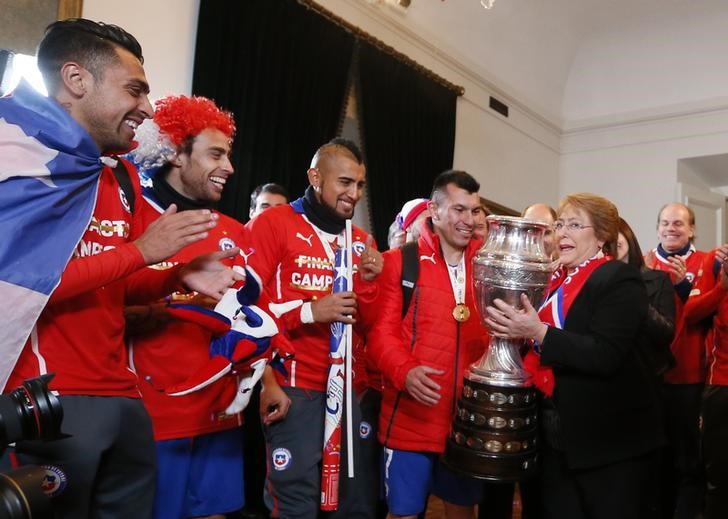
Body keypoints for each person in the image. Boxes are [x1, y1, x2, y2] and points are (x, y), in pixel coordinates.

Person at [1, 20, 241, 518]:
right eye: (134, 90)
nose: (148, 109)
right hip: (48, 397)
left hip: (123, 398)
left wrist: (174, 277)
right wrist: (141, 253)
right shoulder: (19, 157)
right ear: (76, 79)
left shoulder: (120, 174)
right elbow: (22, 288)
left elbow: (115, 284)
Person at [485, 193, 662, 519]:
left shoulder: (619, 278)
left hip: (607, 444)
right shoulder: (553, 280)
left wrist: (538, 332)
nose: (562, 233)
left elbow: (605, 354)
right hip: (555, 437)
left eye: (575, 225)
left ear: (602, 236)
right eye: (560, 225)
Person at [125, 94, 250, 519]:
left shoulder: (233, 231)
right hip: (153, 418)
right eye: (216, 153)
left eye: (229, 155)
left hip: (219, 412)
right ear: (176, 152)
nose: (229, 167)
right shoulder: (134, 216)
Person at [245, 138, 383, 518]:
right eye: (344, 183)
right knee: (295, 503)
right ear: (315, 177)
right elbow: (248, 309)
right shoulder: (272, 224)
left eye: (359, 185)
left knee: (352, 504)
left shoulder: (363, 242)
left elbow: (369, 324)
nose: (353, 194)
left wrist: (372, 283)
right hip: (294, 385)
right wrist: (310, 312)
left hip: (349, 390)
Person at [368, 170, 489, 519]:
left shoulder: (487, 267)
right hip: (410, 420)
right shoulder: (400, 262)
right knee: (404, 513)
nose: (468, 220)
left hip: (466, 423)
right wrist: (405, 373)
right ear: (435, 211)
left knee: (462, 512)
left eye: (474, 211)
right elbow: (381, 335)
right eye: (459, 210)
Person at [644, 203, 708, 519]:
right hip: (651, 377)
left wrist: (685, 288)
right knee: (656, 455)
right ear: (657, 228)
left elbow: (706, 313)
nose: (671, 228)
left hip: (689, 376)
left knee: (687, 458)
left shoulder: (706, 262)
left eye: (679, 224)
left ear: (691, 229)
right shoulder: (643, 262)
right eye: (666, 223)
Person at [677, 242, 728, 519]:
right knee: (718, 477)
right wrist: (722, 286)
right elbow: (691, 313)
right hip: (722, 385)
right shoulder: (716, 260)